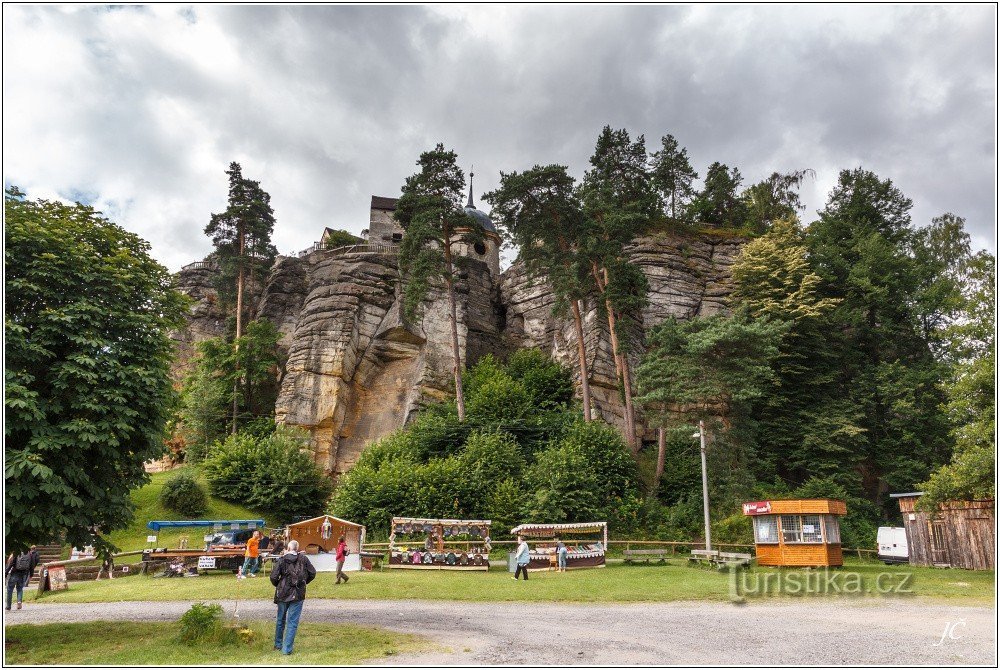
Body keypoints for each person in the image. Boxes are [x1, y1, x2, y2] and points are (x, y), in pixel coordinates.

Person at [270, 540, 316, 655]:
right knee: (292, 622)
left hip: (283, 593)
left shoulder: (281, 560)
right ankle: (286, 649)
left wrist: (279, 585)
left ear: (288, 548)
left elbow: (273, 576)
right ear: (297, 548)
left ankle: (278, 644)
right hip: (298, 593)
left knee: (280, 620)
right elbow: (312, 573)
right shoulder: (304, 559)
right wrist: (304, 582)